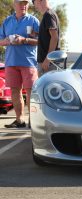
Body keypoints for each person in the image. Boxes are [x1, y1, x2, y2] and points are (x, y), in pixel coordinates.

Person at [0, 0, 39, 128]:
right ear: (14, 5)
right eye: (20, 3)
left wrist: (24, 40)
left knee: (31, 92)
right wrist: (7, 41)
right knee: (15, 92)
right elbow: (1, 41)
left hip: (28, 61)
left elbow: (40, 41)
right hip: (11, 62)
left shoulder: (33, 21)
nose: (23, 5)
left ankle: (33, 121)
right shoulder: (7, 21)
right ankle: (19, 120)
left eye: (25, 3)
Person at [32, 0, 60, 77]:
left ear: (38, 1)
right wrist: (36, 34)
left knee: (45, 88)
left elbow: (54, 37)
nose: (36, 7)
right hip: (47, 62)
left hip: (48, 63)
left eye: (35, 3)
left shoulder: (48, 15)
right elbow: (48, 35)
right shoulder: (50, 14)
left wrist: (48, 59)